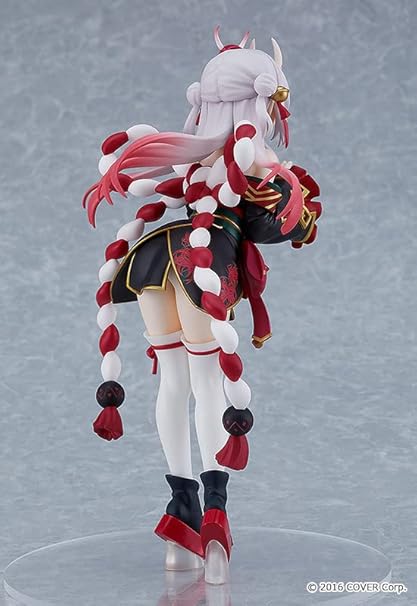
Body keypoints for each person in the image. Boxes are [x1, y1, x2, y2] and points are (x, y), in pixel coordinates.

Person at [83, 27, 322, 584]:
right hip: (203, 266)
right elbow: (291, 227)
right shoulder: (256, 155)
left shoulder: (196, 152)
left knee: (172, 382)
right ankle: (214, 517)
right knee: (209, 383)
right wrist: (297, 201)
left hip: (154, 258)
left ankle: (181, 512)